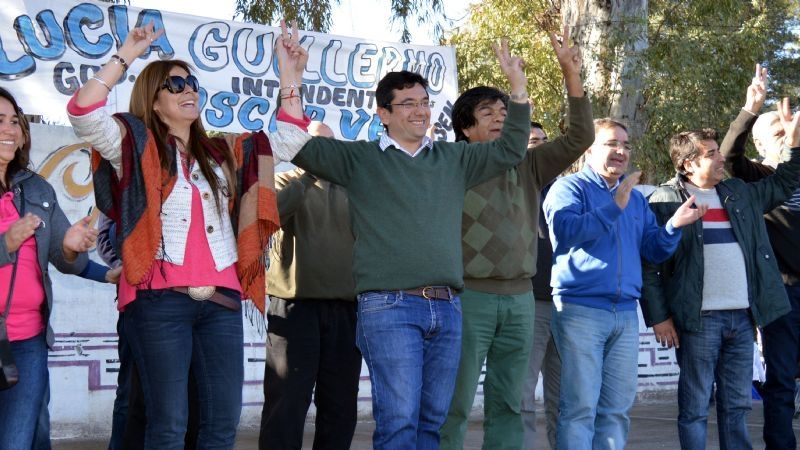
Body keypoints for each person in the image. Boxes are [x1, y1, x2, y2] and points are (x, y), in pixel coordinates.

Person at [274, 27, 532, 449]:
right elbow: (291, 141)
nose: (420, 111)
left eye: (426, 103)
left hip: (447, 307)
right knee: (398, 425)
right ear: (383, 113)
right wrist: (291, 76)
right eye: (408, 103)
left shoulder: (454, 159)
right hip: (389, 307)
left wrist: (518, 89)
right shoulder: (361, 159)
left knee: (432, 425)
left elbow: (510, 151)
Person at [66, 22, 309, 449]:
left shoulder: (223, 153)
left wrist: (289, 75)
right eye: (175, 84)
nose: (188, 89)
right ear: (154, 101)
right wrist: (125, 55)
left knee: (220, 425)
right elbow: (83, 112)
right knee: (168, 426)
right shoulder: (132, 147)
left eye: (191, 82)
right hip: (158, 303)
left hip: (221, 302)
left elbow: (289, 138)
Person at [440, 26, 593, 450]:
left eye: (505, 112)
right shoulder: (454, 162)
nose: (500, 118)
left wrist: (571, 75)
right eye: (487, 113)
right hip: (468, 297)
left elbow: (581, 138)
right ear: (465, 128)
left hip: (522, 298)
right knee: (453, 400)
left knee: (510, 402)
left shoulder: (530, 165)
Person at [641, 97, 800, 449]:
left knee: (737, 406)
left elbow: (785, 181)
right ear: (687, 163)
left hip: (743, 319)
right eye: (710, 153)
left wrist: (793, 143)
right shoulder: (664, 200)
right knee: (695, 407)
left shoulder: (738, 193)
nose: (719, 158)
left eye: (717, 151)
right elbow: (650, 266)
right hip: (698, 321)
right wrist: (659, 317)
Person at [543, 118, 705, 449]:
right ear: (588, 150)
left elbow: (652, 250)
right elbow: (565, 233)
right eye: (612, 143)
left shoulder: (633, 198)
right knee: (579, 409)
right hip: (580, 310)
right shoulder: (568, 188)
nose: (621, 151)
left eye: (626, 145)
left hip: (626, 314)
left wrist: (674, 225)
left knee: (616, 411)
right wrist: (612, 208)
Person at [0, 86, 97, 449]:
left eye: (15, 122)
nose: (9, 130)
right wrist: (6, 244)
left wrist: (70, 248)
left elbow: (64, 257)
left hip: (26, 341)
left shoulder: (37, 189)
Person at [258, 121, 362, 450]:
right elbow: (272, 214)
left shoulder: (356, 190)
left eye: (331, 147)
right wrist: (307, 175)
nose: (325, 154)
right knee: (286, 401)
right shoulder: (282, 182)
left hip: (347, 310)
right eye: (316, 146)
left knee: (340, 404)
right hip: (294, 308)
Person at [719, 64, 800, 449]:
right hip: (782, 296)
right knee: (782, 381)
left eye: (792, 132)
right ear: (761, 145)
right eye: (779, 133)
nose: (787, 138)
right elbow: (728, 156)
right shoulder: (758, 178)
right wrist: (750, 111)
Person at [520, 122, 563, 450]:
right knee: (520, 394)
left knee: (563, 398)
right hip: (527, 304)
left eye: (545, 141)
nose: (542, 146)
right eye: (534, 141)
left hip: (567, 305)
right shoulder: (512, 187)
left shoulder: (566, 190)